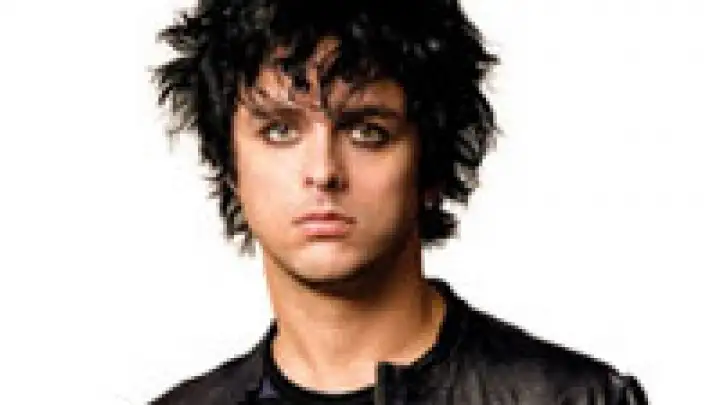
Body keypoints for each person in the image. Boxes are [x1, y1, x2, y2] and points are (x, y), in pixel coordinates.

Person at [150, 0, 648, 404]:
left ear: (429, 163)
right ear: (231, 164)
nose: (323, 171)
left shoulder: (573, 399)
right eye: (280, 131)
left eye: (367, 132)